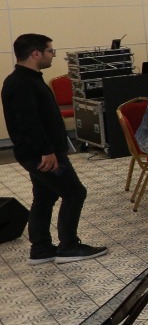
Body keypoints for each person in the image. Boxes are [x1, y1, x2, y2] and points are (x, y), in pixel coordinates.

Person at [2, 34, 103, 265]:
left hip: (42, 153)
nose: (52, 55)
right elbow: (29, 122)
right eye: (50, 51)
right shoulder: (22, 83)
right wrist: (47, 151)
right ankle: (69, 246)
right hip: (44, 155)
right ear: (35, 53)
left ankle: (41, 249)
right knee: (74, 193)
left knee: (44, 196)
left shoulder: (29, 79)